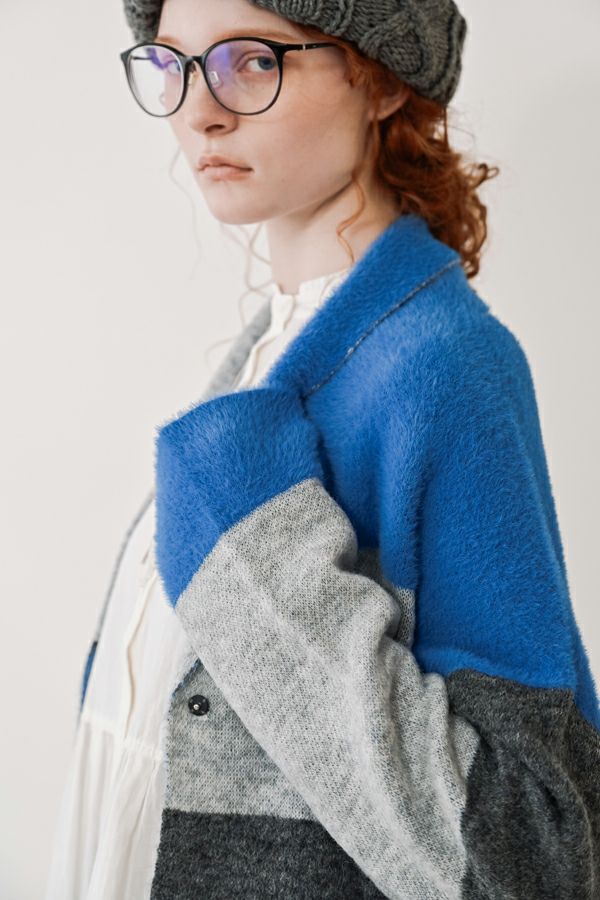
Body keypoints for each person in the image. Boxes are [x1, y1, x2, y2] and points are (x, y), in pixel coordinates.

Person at [45, 1, 600, 898]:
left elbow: (531, 855)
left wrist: (257, 550)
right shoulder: (263, 360)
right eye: (175, 65)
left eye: (251, 62)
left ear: (378, 82)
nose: (199, 112)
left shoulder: (447, 367)